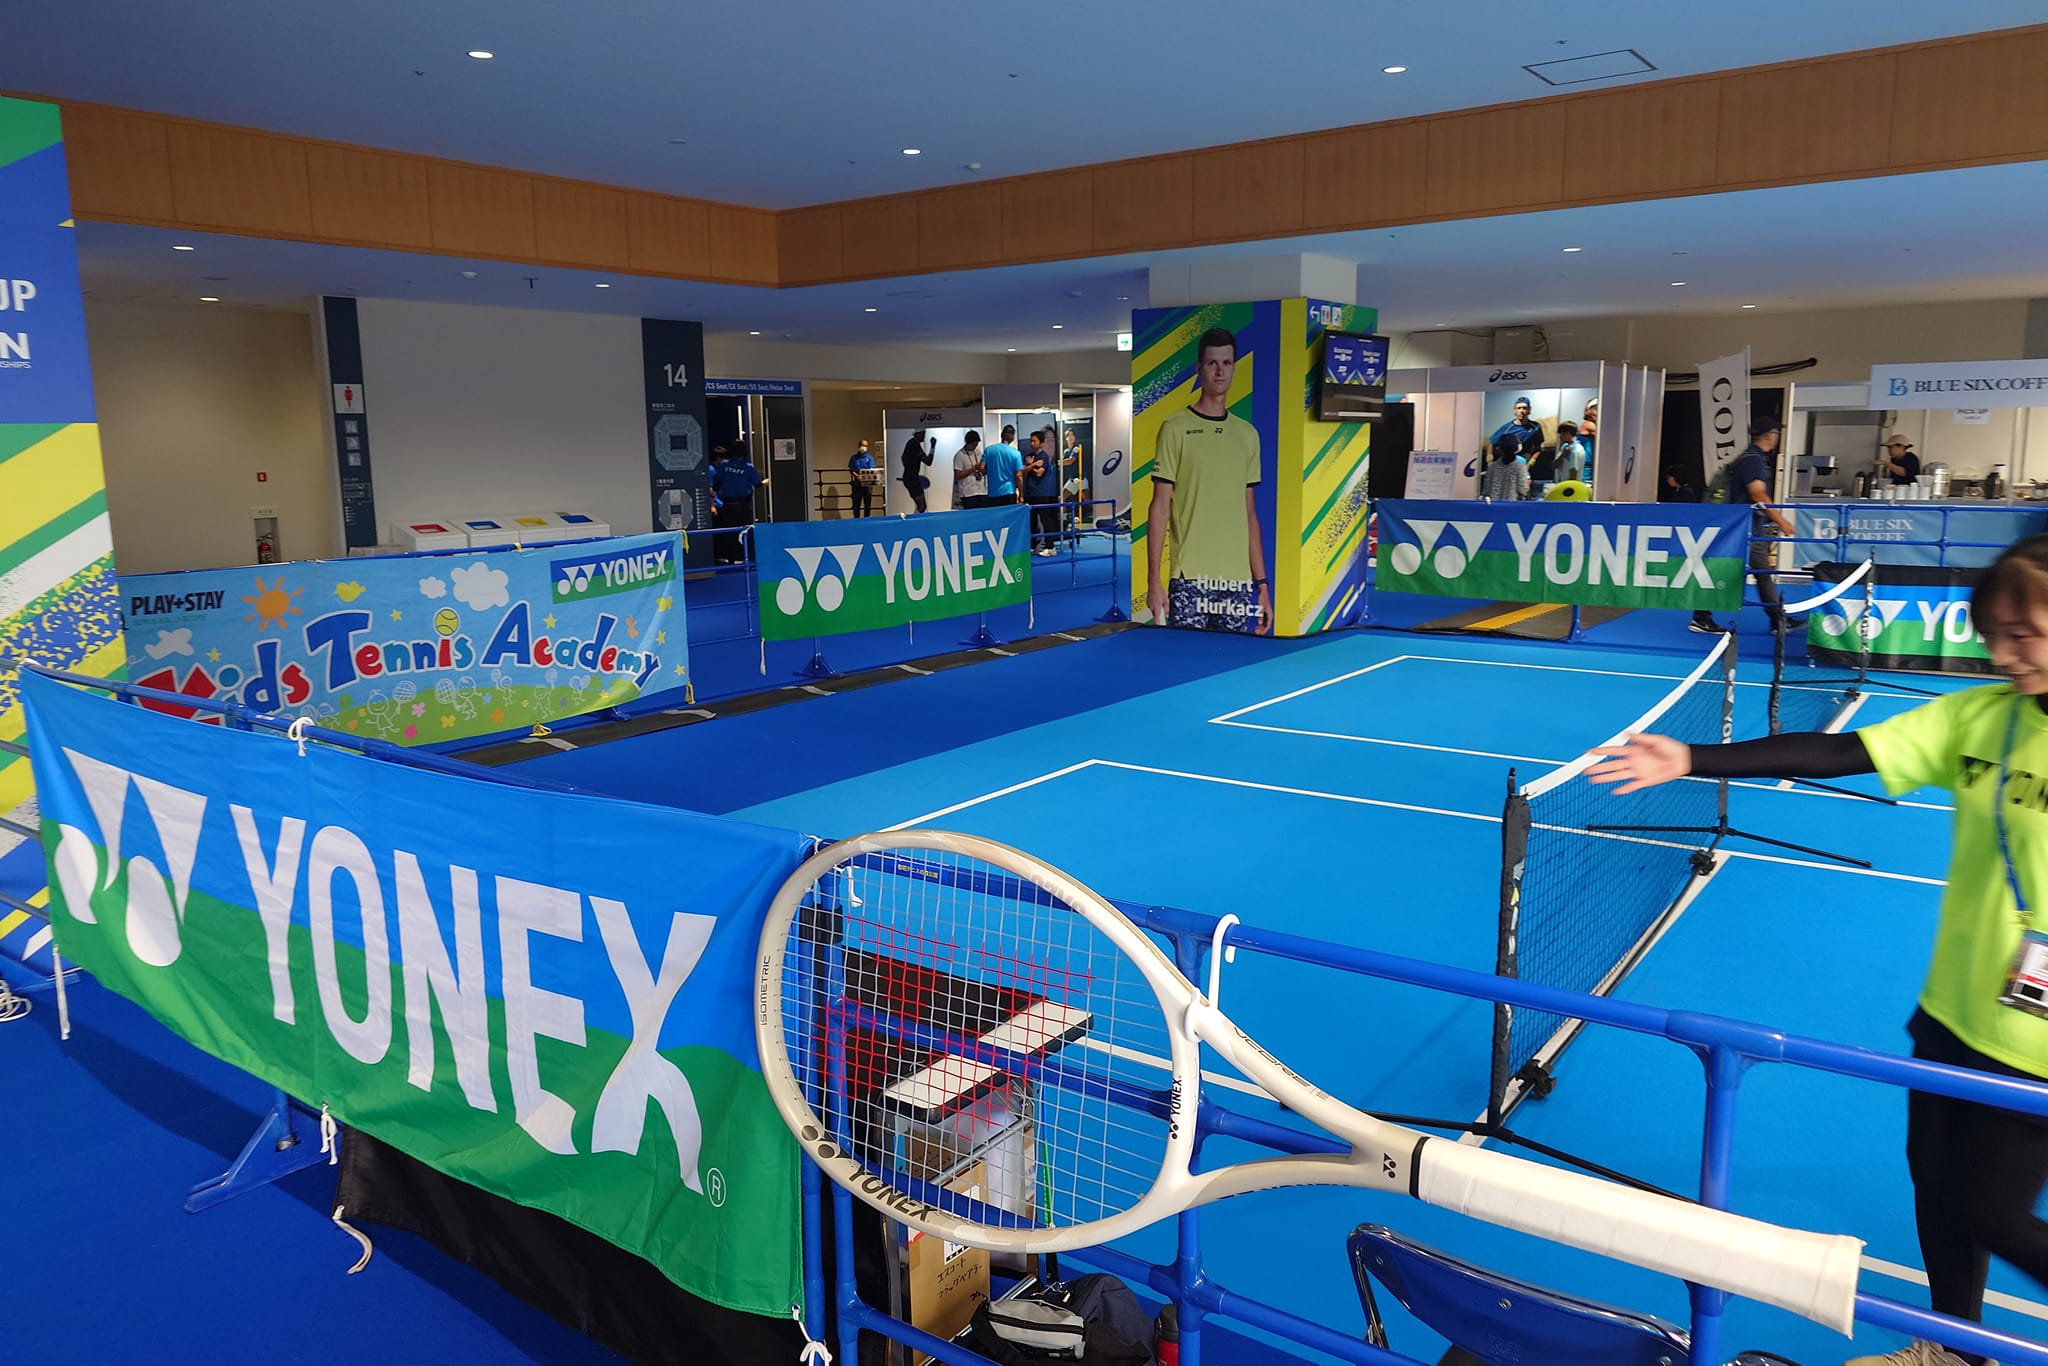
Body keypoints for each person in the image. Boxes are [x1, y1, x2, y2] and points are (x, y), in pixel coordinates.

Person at [1588, 533, 2048, 1366]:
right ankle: (1955, 1348)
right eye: (1995, 635)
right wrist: (1691, 757)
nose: (2005, 655)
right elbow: (1840, 750)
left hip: (2037, 1042)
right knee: (1935, 1187)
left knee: (1990, 1210)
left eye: (2027, 635)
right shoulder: (1983, 717)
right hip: (1952, 1007)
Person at [1145, 326, 1272, 635]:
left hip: (1236, 582)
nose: (1220, 371)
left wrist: (1262, 586)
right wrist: (1154, 581)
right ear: (1199, 368)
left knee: (1233, 663)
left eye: (1226, 363)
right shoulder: (1175, 429)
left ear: (1234, 368)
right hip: (1190, 579)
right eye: (1212, 363)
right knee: (1186, 661)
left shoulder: (1247, 435)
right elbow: (1160, 508)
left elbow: (1249, 515)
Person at [1691, 419, 1795, 635]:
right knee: (1752, 572)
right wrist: (1781, 520)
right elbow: (1757, 494)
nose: (1777, 436)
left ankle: (1776, 619)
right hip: (1745, 528)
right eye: (1776, 432)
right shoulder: (1753, 460)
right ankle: (1777, 620)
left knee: (1753, 572)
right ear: (1770, 434)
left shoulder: (1749, 457)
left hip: (1743, 526)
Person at [710, 440, 763, 563]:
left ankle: (731, 559)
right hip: (743, 505)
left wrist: (712, 499)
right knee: (747, 530)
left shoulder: (725, 465)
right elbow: (757, 484)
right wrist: (766, 482)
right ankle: (748, 558)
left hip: (728, 505)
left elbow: (717, 483)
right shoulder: (748, 467)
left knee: (730, 532)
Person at [1023, 429, 1061, 555]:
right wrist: (1033, 464)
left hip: (1041, 493)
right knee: (1031, 521)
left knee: (1046, 520)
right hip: (1029, 493)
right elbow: (1022, 470)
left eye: (1034, 441)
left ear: (1041, 443)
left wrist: (1030, 465)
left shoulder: (1044, 456)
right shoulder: (1028, 456)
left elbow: (1039, 473)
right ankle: (1033, 546)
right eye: (1031, 441)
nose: (1032, 443)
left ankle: (1050, 547)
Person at [1489, 396, 1544, 460]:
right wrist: (1489, 461)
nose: (1521, 411)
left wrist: (1530, 463)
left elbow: (1538, 448)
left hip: (1525, 462)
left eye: (1524, 408)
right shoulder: (1507, 428)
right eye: (1519, 408)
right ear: (1514, 410)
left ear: (1529, 410)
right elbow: (1491, 444)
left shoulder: (1536, 427)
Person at [983, 424, 1025, 507]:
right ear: (1012, 437)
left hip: (993, 493)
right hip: (1009, 491)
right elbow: (1018, 475)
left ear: (1001, 435)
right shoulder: (1016, 453)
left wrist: (992, 471)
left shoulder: (989, 450)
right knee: (1009, 515)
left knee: (995, 515)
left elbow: (981, 467)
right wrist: (1021, 494)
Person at [1480, 433, 1529, 501]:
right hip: (1511, 505)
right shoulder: (1520, 467)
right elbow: (1522, 490)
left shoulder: (1492, 467)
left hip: (1494, 505)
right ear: (1516, 448)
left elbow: (1486, 491)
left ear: (1500, 448)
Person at [900, 428, 932, 513]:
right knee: (922, 506)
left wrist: (909, 469)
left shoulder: (911, 443)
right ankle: (915, 520)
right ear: (918, 434)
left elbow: (903, 458)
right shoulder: (914, 445)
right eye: (923, 434)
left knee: (921, 505)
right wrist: (932, 447)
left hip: (911, 478)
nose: (924, 436)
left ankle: (916, 518)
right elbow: (928, 461)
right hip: (912, 479)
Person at [953, 430, 987, 509]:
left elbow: (983, 469)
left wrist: (983, 469)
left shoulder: (978, 452)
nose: (975, 446)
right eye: (973, 444)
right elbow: (957, 475)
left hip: (981, 491)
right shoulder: (959, 455)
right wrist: (973, 469)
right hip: (968, 493)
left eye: (976, 444)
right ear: (968, 443)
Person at [848, 438, 879, 518]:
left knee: (867, 505)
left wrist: (864, 476)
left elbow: (872, 470)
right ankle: (856, 520)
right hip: (857, 484)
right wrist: (857, 476)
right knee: (856, 505)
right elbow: (851, 469)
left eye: (866, 446)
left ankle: (866, 520)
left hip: (867, 485)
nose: (864, 447)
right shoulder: (854, 458)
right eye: (862, 445)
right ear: (859, 446)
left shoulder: (869, 458)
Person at [1552, 420, 1587, 484]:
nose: (1560, 436)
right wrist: (1563, 454)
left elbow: (1573, 472)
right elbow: (1554, 465)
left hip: (1569, 486)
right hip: (1560, 484)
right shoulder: (1564, 447)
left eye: (1562, 433)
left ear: (1568, 433)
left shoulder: (1576, 450)